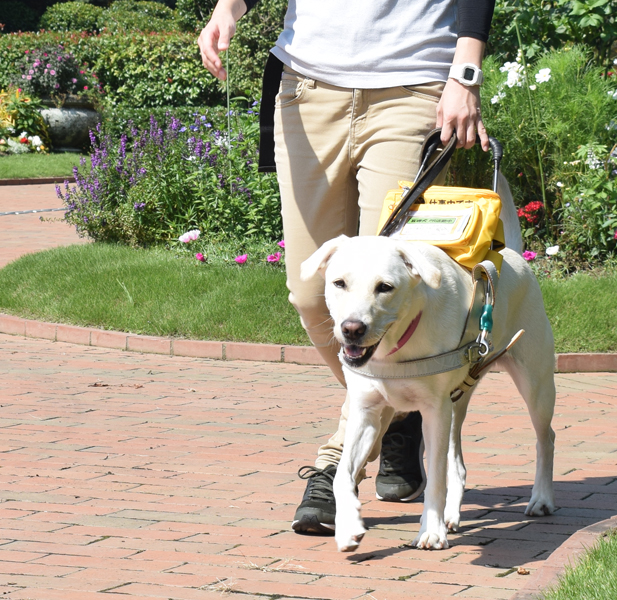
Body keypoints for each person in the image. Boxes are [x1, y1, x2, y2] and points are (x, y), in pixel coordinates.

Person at [199, 0, 495, 535]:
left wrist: (465, 74)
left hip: (413, 88)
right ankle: (401, 409)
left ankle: (339, 462)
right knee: (312, 295)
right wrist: (227, 8)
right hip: (305, 88)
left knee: (386, 282)